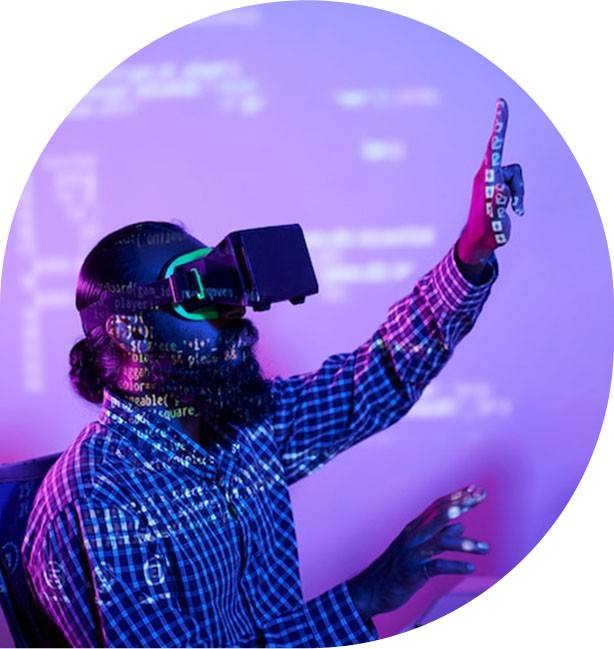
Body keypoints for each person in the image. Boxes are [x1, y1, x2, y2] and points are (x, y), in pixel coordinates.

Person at [21, 99, 524, 647]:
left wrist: (471, 252)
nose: (235, 317)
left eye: (229, 292)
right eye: (200, 296)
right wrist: (364, 596)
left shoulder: (245, 428)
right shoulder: (98, 503)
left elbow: (375, 379)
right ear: (129, 333)